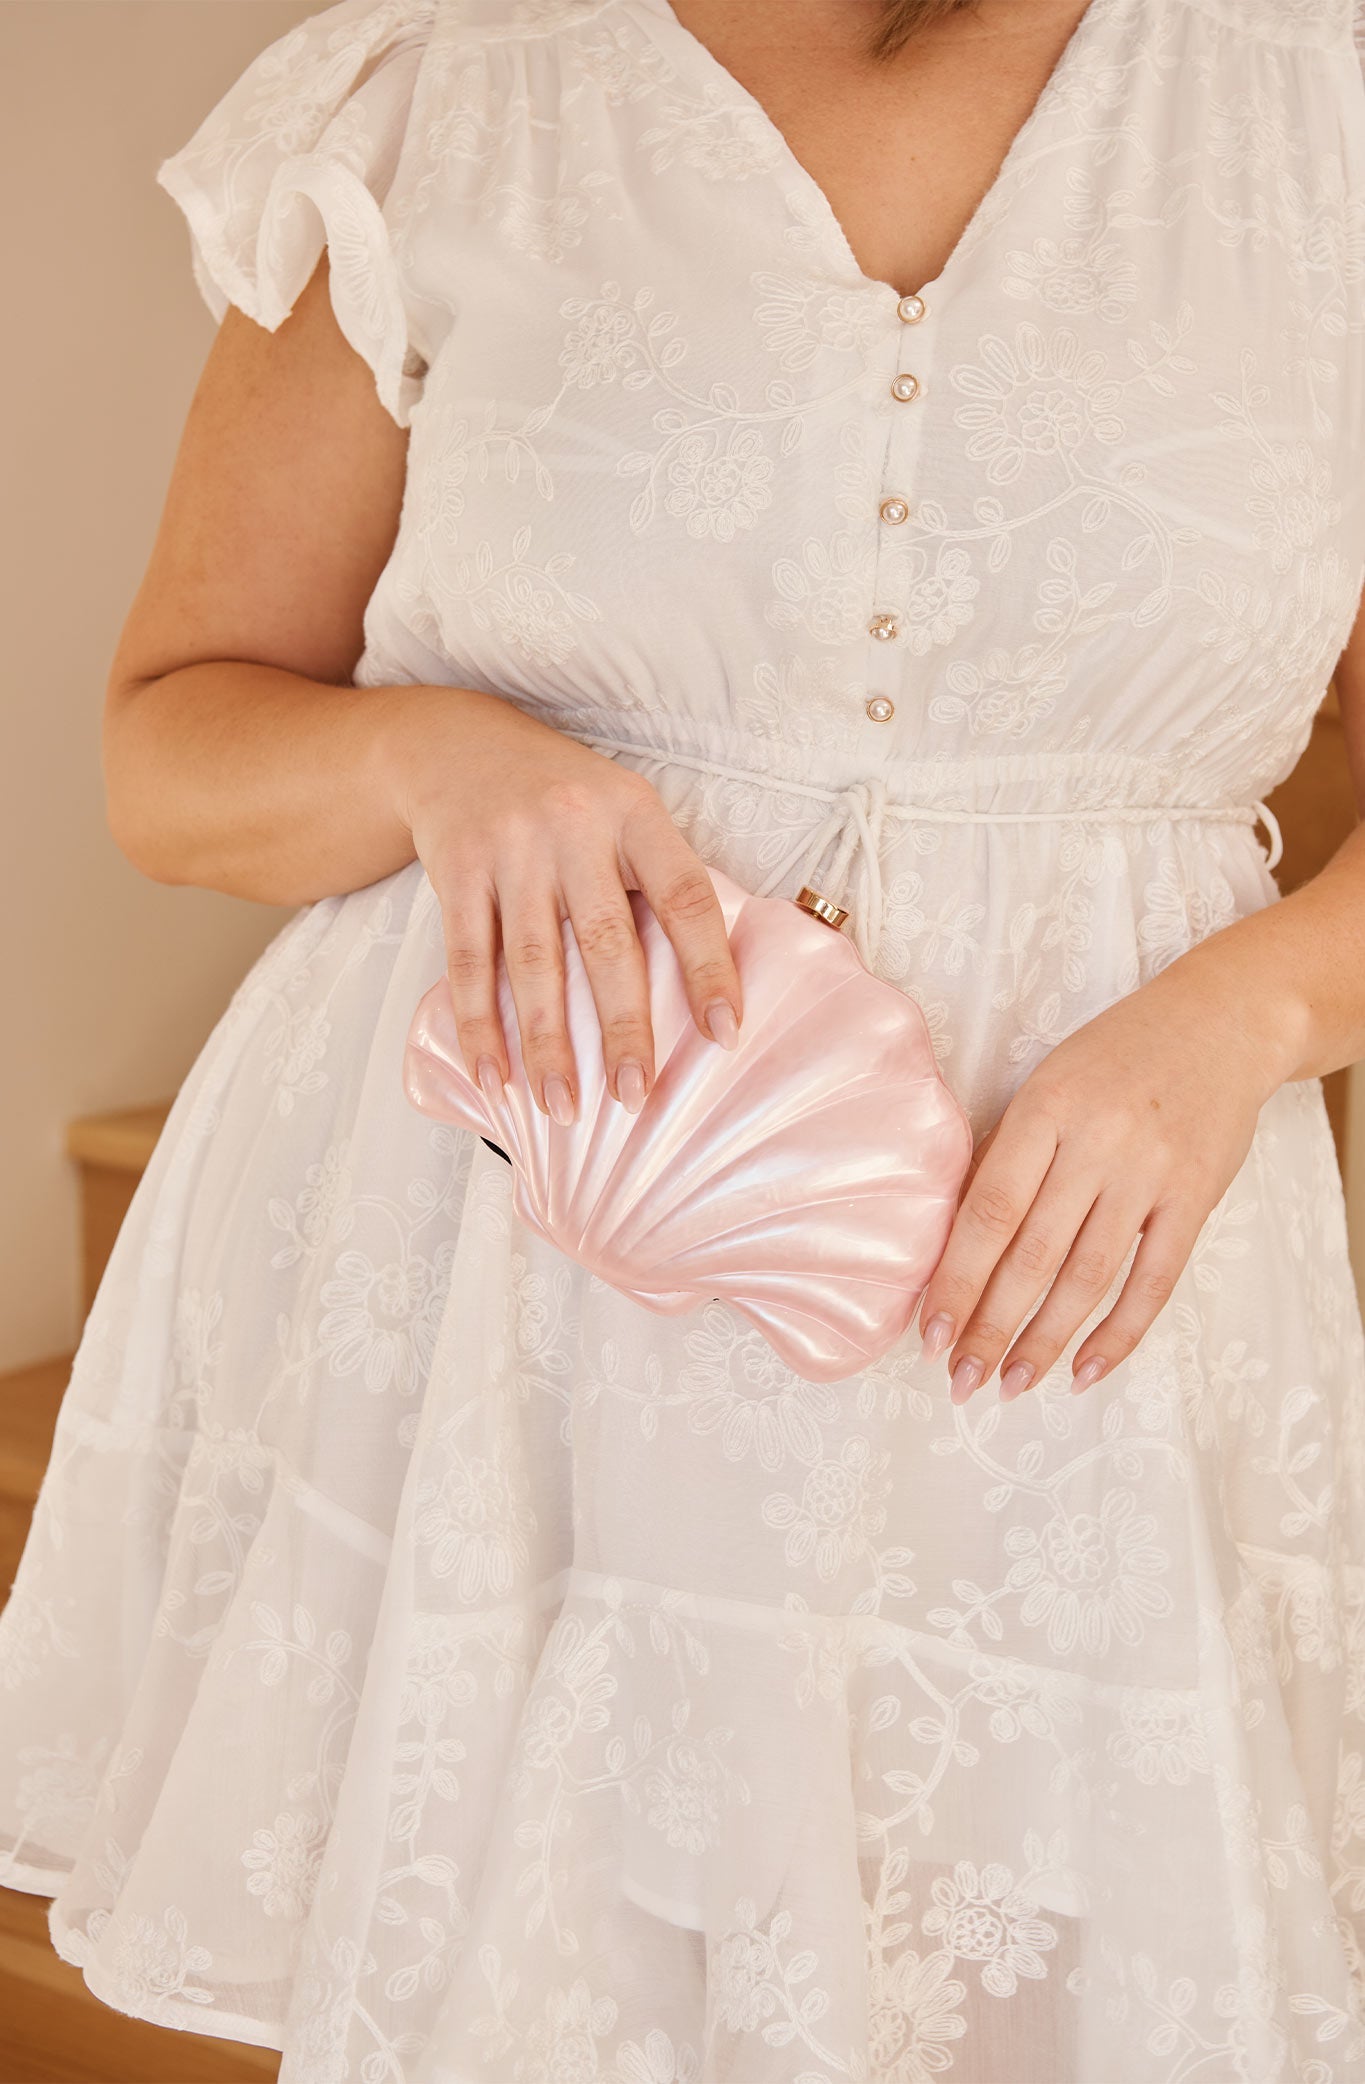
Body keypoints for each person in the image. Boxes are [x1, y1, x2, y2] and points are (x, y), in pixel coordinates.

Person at [4, 0, 1365, 2073]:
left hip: (1080, 1315)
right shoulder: (451, 81)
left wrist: (1254, 999)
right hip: (501, 1292)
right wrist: (433, 758)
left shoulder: (1320, 92)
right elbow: (169, 747)